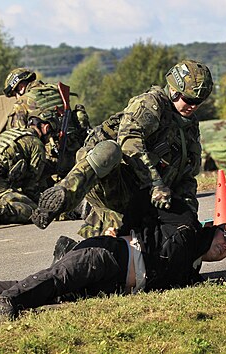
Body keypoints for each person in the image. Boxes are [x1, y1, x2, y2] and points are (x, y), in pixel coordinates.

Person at [0, 203, 226, 321]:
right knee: (49, 282)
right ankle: (6, 304)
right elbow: (142, 203)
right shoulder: (185, 221)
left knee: (35, 286)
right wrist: (124, 226)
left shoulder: (190, 271)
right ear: (215, 228)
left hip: (106, 284)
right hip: (108, 255)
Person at [31, 59, 214, 238]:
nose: (193, 106)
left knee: (115, 256)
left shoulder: (189, 126)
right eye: (189, 99)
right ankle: (63, 196)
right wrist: (155, 184)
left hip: (145, 202)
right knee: (109, 150)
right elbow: (129, 142)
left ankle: (70, 251)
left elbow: (187, 177)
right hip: (114, 183)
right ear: (173, 90)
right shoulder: (151, 104)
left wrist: (188, 217)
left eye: (200, 101)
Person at [3, 68, 91, 177]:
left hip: (51, 163)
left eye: (14, 94)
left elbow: (15, 137)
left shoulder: (22, 102)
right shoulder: (57, 90)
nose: (15, 98)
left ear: (20, 87)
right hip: (77, 154)